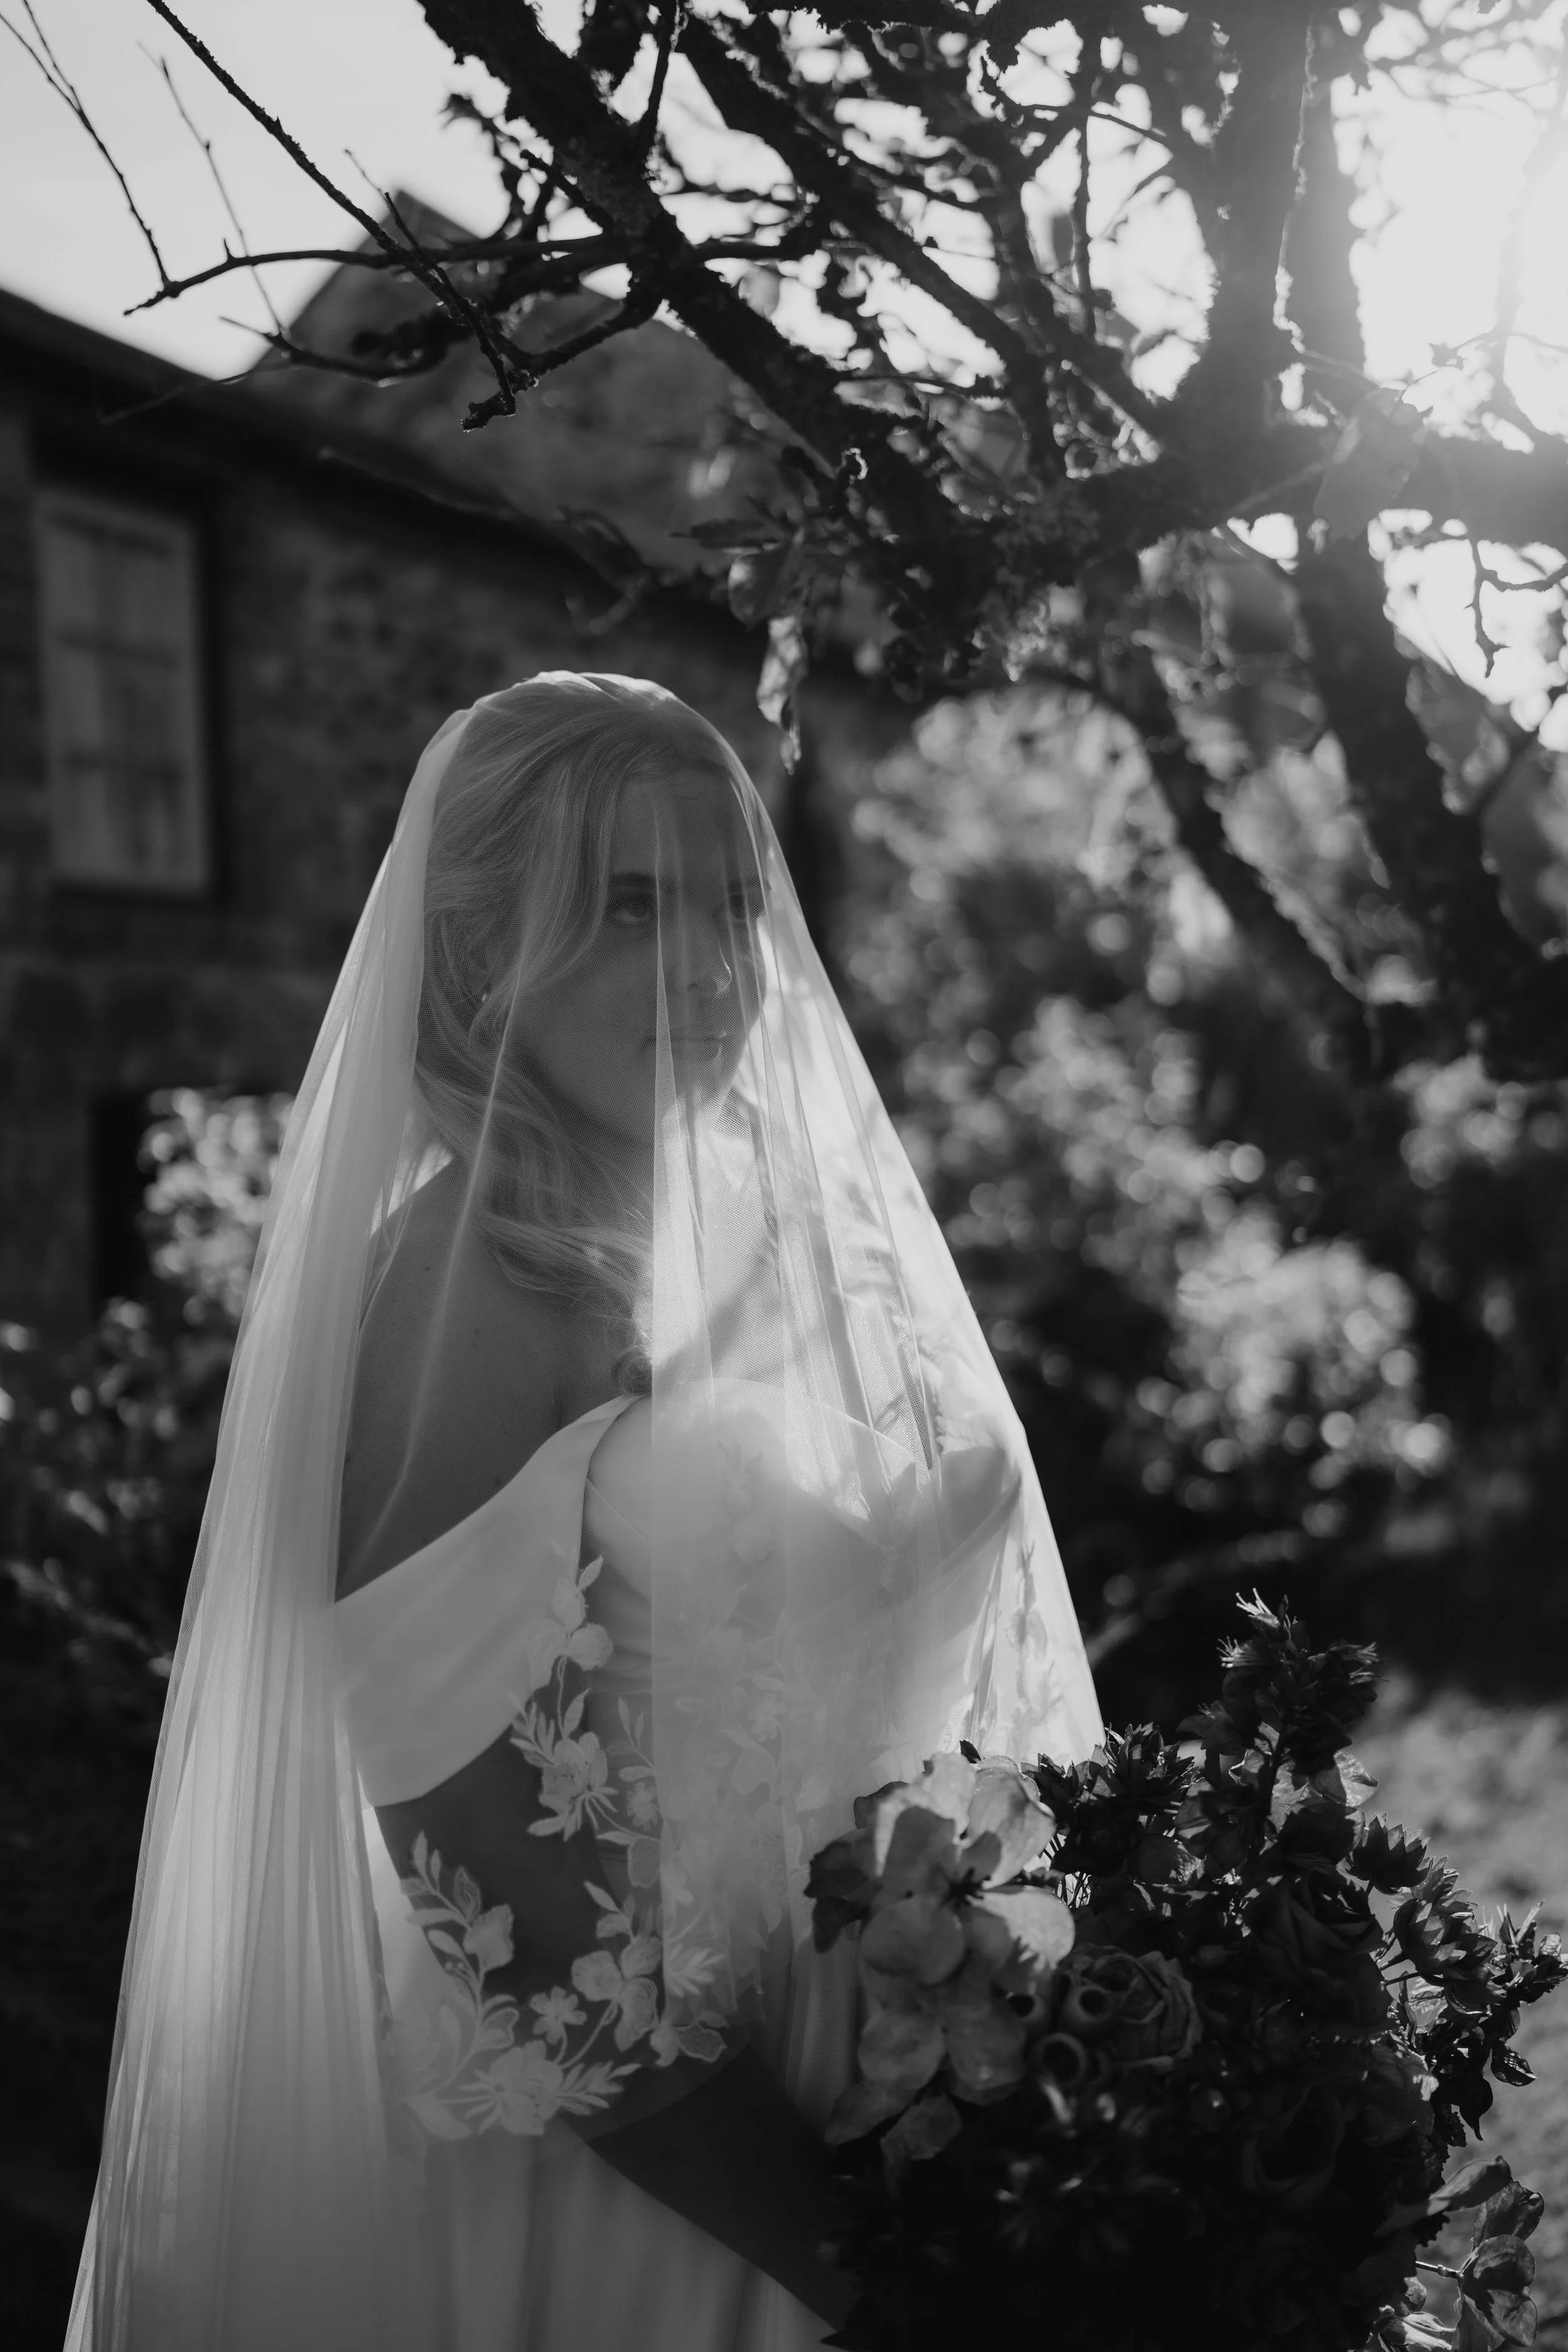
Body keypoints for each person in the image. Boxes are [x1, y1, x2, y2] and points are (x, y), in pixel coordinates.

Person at [67, 674, 1103, 2352]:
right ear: (484, 951)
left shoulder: (772, 1251)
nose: (706, 969)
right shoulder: (462, 1287)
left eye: (728, 908)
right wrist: (873, 2276)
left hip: (918, 2108)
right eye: (632, 908)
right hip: (665, 2212)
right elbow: (501, 1901)